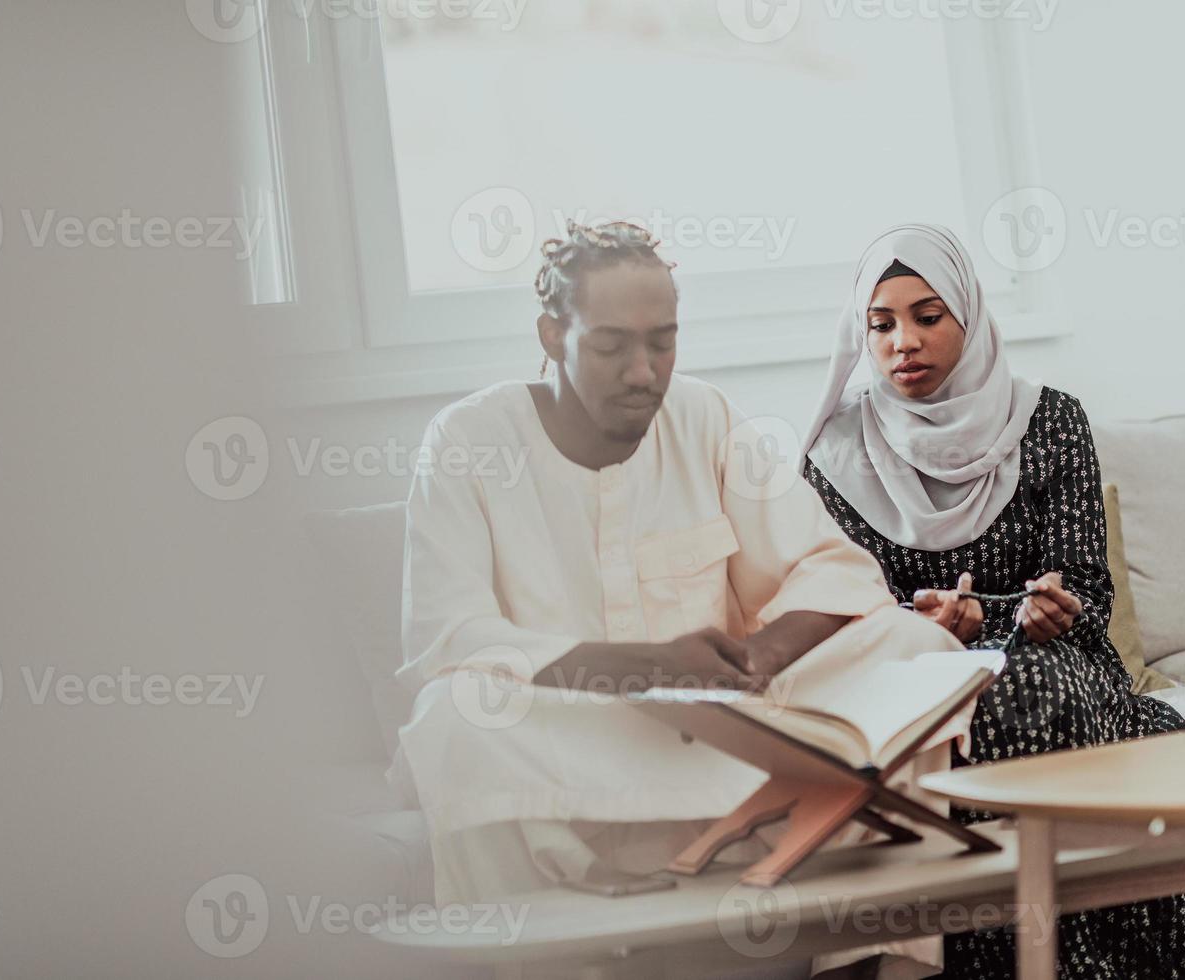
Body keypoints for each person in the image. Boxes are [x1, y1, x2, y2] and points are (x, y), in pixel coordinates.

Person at [398, 220, 970, 979]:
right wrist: (643, 665)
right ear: (551, 334)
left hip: (731, 733)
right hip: (579, 736)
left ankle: (876, 960)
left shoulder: (704, 415)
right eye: (610, 347)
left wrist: (761, 656)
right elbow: (452, 636)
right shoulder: (467, 439)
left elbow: (832, 569)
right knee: (452, 719)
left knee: (914, 648)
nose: (643, 371)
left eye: (661, 342)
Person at [800, 223, 1185, 979]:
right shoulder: (837, 454)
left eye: (926, 317)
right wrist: (927, 627)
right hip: (916, 681)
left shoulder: (1050, 419)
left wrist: (1006, 617)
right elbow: (842, 609)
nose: (902, 341)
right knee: (987, 705)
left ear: (968, 318)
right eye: (880, 325)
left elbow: (1088, 593)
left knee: (1031, 688)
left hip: (1060, 665)